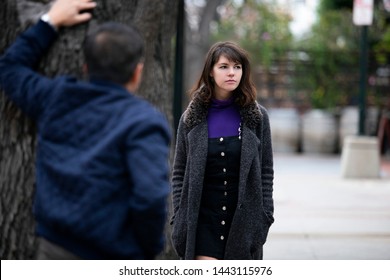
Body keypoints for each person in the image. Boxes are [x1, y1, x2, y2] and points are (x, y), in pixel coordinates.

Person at [0, 0, 171, 260]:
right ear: (137, 73)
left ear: (86, 68)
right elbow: (149, 197)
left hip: (52, 250)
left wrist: (50, 21)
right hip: (115, 255)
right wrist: (148, 249)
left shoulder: (56, 97)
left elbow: (10, 68)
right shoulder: (145, 122)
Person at [171, 41, 274, 260]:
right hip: (202, 222)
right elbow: (179, 171)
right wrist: (179, 216)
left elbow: (266, 171)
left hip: (243, 224)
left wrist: (265, 216)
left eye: (237, 67)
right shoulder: (191, 118)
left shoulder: (257, 117)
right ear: (210, 71)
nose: (232, 73)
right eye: (224, 66)